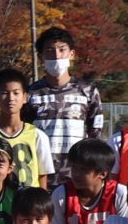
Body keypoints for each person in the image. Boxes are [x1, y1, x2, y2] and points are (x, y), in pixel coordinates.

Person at [28, 27, 105, 168]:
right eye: (49, 50)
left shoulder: (88, 92)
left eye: (62, 49)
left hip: (77, 174)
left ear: (72, 54)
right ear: (40, 57)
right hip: (40, 172)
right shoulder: (30, 94)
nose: (56, 56)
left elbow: (95, 136)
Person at [0, 68, 55, 191]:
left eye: (16, 93)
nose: (11, 98)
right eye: (5, 93)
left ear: (25, 97)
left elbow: (42, 176)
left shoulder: (37, 136)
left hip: (28, 201)